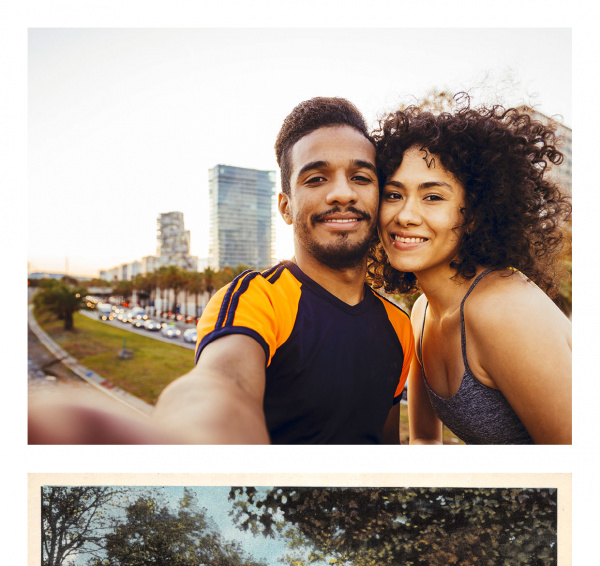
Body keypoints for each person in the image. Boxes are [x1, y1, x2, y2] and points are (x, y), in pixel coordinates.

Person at [28, 97, 414, 445]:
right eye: (316, 178)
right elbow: (221, 383)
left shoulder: (400, 325)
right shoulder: (254, 299)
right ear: (285, 207)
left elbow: (382, 442)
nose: (342, 193)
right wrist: (191, 445)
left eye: (361, 177)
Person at [367, 100, 572, 445]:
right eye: (393, 194)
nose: (405, 215)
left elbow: (579, 467)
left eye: (432, 197)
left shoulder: (505, 308)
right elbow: (425, 443)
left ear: (474, 214)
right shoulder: (422, 313)